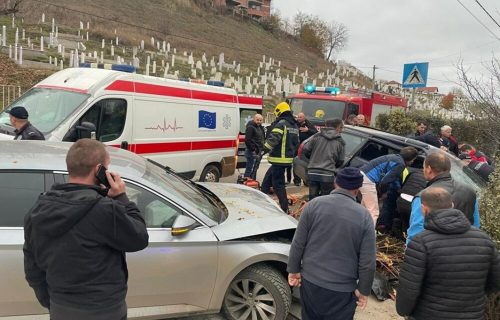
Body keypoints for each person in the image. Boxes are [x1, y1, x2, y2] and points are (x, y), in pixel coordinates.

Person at [23, 139, 149, 320]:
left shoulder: (37, 211)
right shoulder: (105, 210)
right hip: (105, 310)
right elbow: (139, 237)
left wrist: (52, 302)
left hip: (61, 309)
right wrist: (121, 198)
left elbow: (32, 266)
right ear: (99, 170)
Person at [396, 187, 500, 319]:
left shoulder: (420, 243)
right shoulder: (484, 239)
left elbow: (409, 287)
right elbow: (495, 282)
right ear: (452, 205)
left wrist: (403, 310)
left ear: (423, 209)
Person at [287, 167, 376, 320]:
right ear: (358, 188)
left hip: (311, 281)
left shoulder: (314, 205)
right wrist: (363, 290)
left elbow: (298, 242)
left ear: (336, 182)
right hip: (342, 290)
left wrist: (293, 270)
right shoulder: (364, 216)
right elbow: (367, 262)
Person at [406, 151, 480, 244]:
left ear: (429, 169)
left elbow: (416, 233)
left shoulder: (424, 196)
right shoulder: (469, 191)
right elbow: (476, 224)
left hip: (434, 251)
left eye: (423, 167)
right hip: (465, 248)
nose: (422, 170)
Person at [359, 147, 419, 225]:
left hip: (361, 175)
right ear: (410, 159)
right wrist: (383, 193)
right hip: (368, 180)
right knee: (373, 211)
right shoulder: (401, 164)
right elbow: (386, 181)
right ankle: (368, 234)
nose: (412, 162)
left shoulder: (393, 157)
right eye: (413, 160)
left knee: (364, 207)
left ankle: (358, 226)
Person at [261, 102, 299, 213]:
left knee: (278, 184)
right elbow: (296, 142)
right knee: (266, 182)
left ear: (279, 111)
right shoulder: (294, 125)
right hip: (287, 159)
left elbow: (273, 139)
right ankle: (262, 201)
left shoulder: (282, 124)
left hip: (278, 159)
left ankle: (284, 208)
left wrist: (263, 150)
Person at [303, 118, 345, 200]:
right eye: (341, 128)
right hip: (328, 175)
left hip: (312, 173)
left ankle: (312, 212)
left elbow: (306, 150)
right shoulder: (340, 141)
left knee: (313, 199)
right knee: (325, 200)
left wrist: (312, 159)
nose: (342, 130)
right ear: (338, 127)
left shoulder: (316, 136)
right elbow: (340, 161)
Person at [293, 112, 318, 186]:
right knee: (296, 164)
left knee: (306, 165)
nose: (299, 118)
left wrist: (308, 130)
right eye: (298, 117)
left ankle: (305, 180)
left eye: (300, 117)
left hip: (306, 149)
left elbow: (316, 133)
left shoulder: (309, 125)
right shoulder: (295, 124)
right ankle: (297, 181)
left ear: (304, 118)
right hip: (296, 147)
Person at [243, 113, 265, 179]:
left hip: (258, 151)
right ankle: (247, 182)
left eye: (260, 120)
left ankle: (252, 181)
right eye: (257, 120)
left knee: (254, 168)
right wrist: (253, 150)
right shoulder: (250, 127)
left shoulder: (260, 127)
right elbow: (247, 140)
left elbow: (262, 137)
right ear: (254, 119)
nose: (259, 121)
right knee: (249, 168)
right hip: (252, 151)